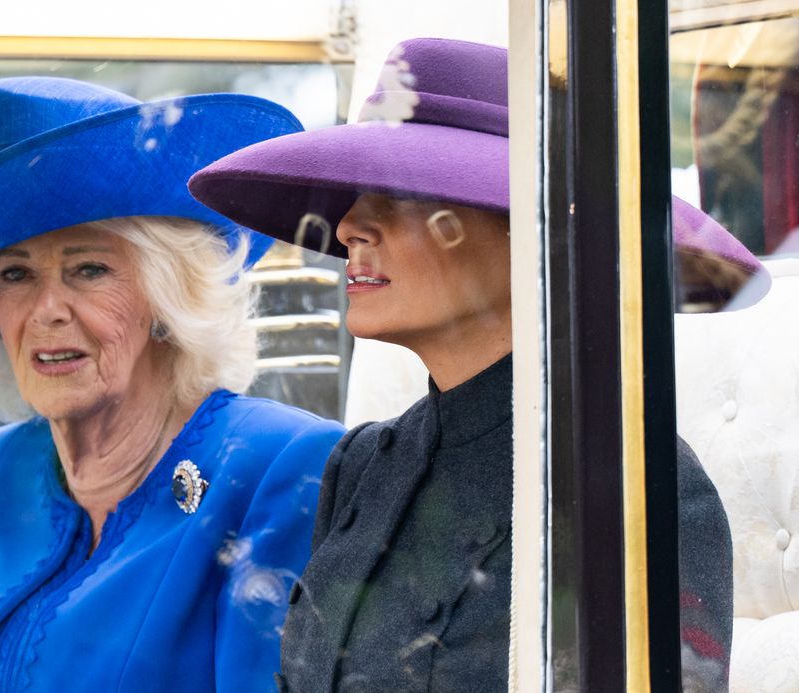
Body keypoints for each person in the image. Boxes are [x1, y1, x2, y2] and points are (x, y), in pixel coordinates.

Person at [190, 38, 761, 691]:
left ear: (532, 232)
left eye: (397, 194)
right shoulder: (363, 467)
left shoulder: (631, 490)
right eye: (353, 195)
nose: (348, 226)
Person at [0, 76, 346, 692]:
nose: (47, 311)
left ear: (166, 294)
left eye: (88, 269)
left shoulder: (282, 464)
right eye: (14, 274)